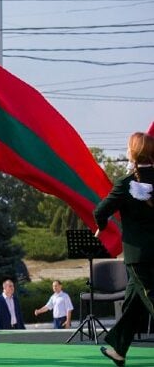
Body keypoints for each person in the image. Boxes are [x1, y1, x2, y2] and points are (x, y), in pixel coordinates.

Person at [93, 131, 154, 367]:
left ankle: (119, 348)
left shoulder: (126, 183)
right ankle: (119, 349)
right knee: (132, 303)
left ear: (133, 153)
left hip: (138, 257)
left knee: (150, 299)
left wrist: (102, 225)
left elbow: (100, 212)